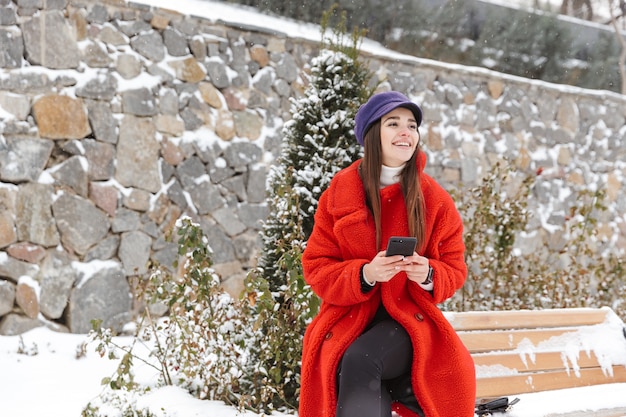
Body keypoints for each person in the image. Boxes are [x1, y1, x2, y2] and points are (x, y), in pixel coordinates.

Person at [298, 91, 476, 417]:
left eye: (411, 125)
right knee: (348, 366)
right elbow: (317, 267)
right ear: (372, 135)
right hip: (349, 318)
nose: (405, 131)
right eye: (393, 123)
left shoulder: (434, 199)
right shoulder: (339, 193)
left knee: (362, 358)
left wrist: (428, 274)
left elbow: (455, 268)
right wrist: (364, 274)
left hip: (410, 323)